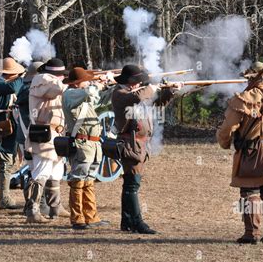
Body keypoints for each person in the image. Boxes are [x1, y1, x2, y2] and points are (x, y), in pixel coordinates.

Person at [216, 61, 263, 244]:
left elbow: (228, 127)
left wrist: (224, 142)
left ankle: (252, 234)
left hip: (251, 152)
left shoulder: (243, 98)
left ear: (250, 77)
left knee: (250, 192)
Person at [111, 64, 183, 234]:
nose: (140, 84)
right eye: (138, 81)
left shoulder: (137, 93)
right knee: (132, 184)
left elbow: (156, 107)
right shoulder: (119, 94)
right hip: (130, 143)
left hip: (140, 144)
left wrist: (170, 91)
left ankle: (127, 221)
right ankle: (137, 222)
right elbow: (136, 98)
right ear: (131, 81)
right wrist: (151, 87)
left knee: (130, 183)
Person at [62, 68, 115, 230]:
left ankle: (91, 217)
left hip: (93, 144)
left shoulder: (84, 95)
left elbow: (103, 100)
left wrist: (112, 86)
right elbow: (89, 91)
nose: (89, 82)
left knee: (89, 180)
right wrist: (98, 83)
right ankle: (77, 218)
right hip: (82, 144)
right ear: (78, 83)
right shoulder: (70, 94)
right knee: (78, 180)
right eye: (86, 80)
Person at [24, 58, 68, 223]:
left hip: (56, 133)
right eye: (61, 74)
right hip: (43, 133)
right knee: (41, 172)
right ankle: (32, 211)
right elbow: (54, 89)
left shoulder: (53, 81)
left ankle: (55, 208)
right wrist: (71, 82)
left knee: (56, 172)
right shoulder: (42, 80)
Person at [0, 57, 25, 209]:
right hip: (0, 128)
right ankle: (5, 199)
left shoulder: (3, 82)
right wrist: (23, 76)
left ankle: (5, 198)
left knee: (9, 162)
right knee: (6, 163)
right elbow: (14, 88)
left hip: (9, 127)